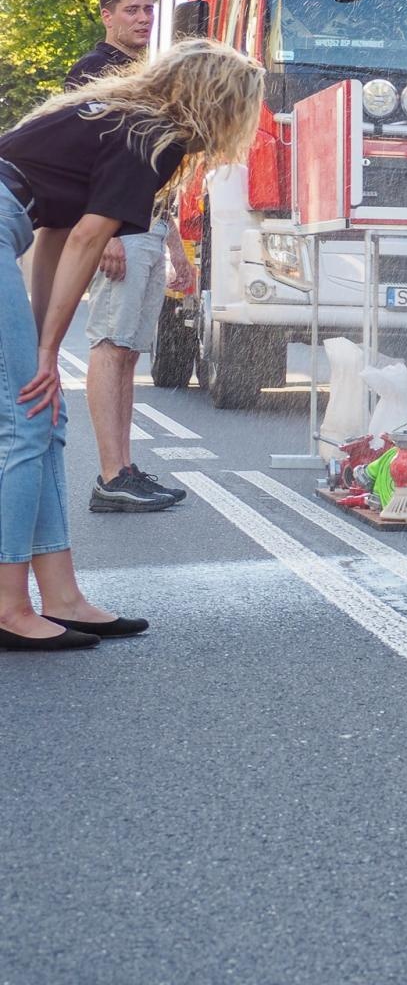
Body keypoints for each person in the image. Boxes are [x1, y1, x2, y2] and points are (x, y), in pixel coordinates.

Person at [0, 39, 264, 650]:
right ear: (217, 103)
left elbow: (57, 230)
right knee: (24, 420)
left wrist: (42, 340)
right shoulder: (152, 137)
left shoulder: (113, 116)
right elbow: (88, 238)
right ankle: (9, 607)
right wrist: (46, 353)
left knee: (43, 416)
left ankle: (62, 597)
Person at [69, 0, 194, 513]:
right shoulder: (93, 72)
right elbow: (82, 159)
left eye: (148, 9)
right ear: (107, 15)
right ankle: (109, 474)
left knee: (128, 353)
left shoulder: (146, 73)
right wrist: (106, 234)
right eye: (131, 10)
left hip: (150, 228)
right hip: (118, 231)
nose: (143, 18)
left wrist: (175, 245)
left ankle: (123, 468)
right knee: (109, 345)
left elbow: (150, 169)